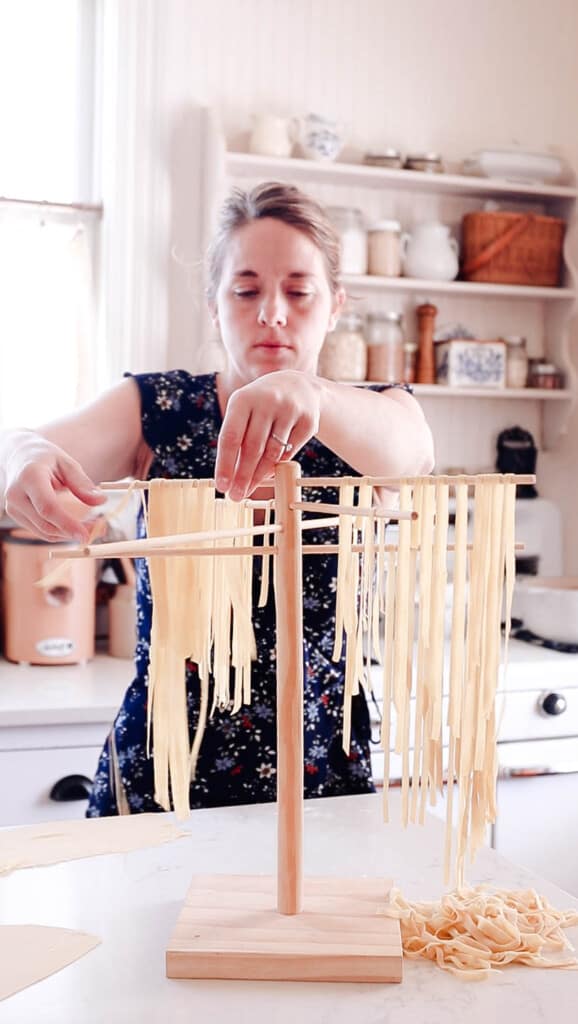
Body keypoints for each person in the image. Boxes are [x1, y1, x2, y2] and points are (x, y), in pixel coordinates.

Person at [0, 181, 434, 815]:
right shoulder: (160, 409)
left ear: (336, 304)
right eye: (247, 289)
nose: (273, 313)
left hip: (321, 770)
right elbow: (25, 442)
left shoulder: (368, 417)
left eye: (299, 291)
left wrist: (311, 396)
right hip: (162, 767)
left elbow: (413, 453)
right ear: (213, 305)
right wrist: (20, 455)